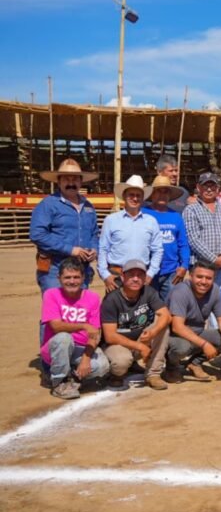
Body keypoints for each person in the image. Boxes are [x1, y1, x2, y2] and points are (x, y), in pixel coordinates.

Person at [40, 258, 109, 399]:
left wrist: (85, 359)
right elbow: (56, 326)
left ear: (83, 278)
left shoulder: (93, 298)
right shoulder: (51, 294)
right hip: (57, 348)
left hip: (81, 348)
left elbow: (94, 334)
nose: (72, 281)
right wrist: (83, 325)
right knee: (64, 338)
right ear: (59, 278)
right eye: (67, 277)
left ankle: (73, 376)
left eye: (76, 277)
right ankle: (59, 383)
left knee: (102, 367)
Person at [99, 259, 171, 390]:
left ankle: (153, 374)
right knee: (121, 362)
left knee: (162, 326)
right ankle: (115, 374)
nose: (136, 279)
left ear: (145, 278)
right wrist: (140, 347)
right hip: (116, 345)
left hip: (139, 340)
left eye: (140, 275)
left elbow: (166, 315)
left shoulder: (148, 291)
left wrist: (153, 332)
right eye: (131, 275)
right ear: (122, 276)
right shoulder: (111, 299)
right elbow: (110, 336)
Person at [30, 158, 99, 293]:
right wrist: (70, 250)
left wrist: (94, 250)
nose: (71, 183)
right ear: (59, 181)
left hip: (81, 269)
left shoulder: (88, 206)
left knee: (79, 306)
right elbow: (37, 234)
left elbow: (94, 233)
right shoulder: (48, 204)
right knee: (56, 305)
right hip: (54, 269)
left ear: (81, 182)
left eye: (75, 179)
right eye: (67, 179)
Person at [165, 261, 221, 383]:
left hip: (197, 333)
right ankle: (171, 368)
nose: (203, 281)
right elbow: (177, 327)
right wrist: (204, 344)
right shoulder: (180, 291)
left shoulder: (215, 290)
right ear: (191, 276)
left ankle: (194, 363)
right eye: (199, 277)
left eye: (208, 278)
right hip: (173, 336)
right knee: (182, 348)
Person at [98, 175, 163, 293]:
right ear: (124, 196)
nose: (135, 198)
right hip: (116, 276)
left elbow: (157, 250)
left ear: (143, 198)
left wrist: (151, 273)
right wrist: (105, 274)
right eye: (131, 195)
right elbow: (103, 249)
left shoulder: (151, 221)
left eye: (138, 195)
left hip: (141, 276)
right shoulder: (111, 220)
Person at [183, 171, 221, 289]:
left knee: (220, 296)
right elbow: (193, 239)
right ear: (198, 187)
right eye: (205, 186)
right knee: (200, 297)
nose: (209, 189)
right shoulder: (190, 210)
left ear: (217, 188)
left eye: (212, 186)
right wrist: (214, 259)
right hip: (201, 266)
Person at [142, 175, 190, 300]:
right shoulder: (142, 213)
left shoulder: (176, 216)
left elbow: (183, 244)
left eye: (166, 192)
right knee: (146, 306)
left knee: (171, 305)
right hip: (147, 270)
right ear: (152, 194)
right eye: (159, 191)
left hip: (171, 272)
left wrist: (184, 265)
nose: (162, 195)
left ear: (170, 195)